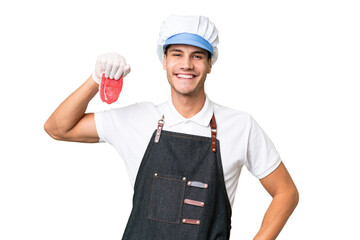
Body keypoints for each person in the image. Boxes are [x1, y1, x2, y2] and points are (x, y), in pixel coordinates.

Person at [44, 15, 299, 240]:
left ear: (210, 64)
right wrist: (94, 80)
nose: (186, 64)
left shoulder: (240, 126)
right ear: (164, 61)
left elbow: (286, 192)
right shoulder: (137, 118)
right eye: (177, 54)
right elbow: (58, 128)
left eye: (197, 56)